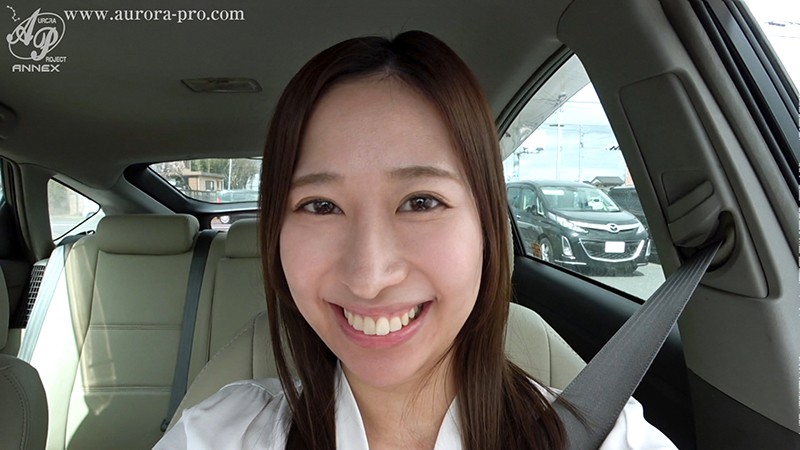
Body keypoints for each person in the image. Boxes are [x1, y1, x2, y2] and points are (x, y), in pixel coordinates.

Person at [154, 30, 676, 450]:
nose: (369, 276)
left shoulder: (604, 439)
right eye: (320, 205)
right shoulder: (217, 436)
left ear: (486, 227)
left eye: (421, 202)